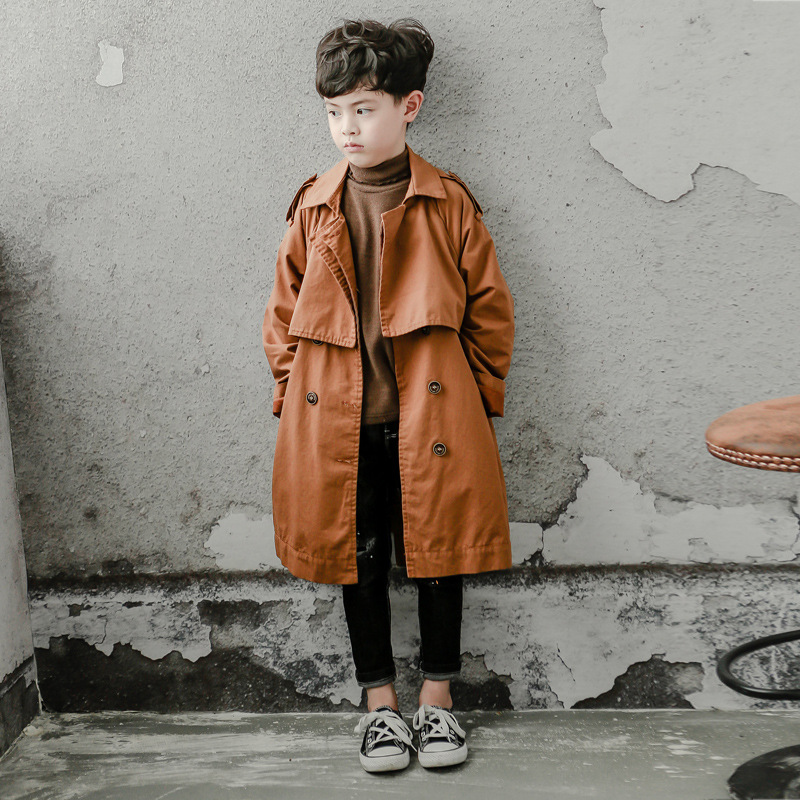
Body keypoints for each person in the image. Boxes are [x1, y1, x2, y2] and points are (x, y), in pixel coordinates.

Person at [262, 17, 515, 773]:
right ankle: (379, 708)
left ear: (409, 107)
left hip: (432, 420)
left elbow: (490, 312)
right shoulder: (314, 205)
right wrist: (292, 400)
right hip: (336, 425)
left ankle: (437, 703)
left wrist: (474, 405)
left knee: (440, 558)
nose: (347, 127)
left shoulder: (449, 203)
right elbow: (281, 317)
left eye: (364, 109)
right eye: (334, 111)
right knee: (358, 561)